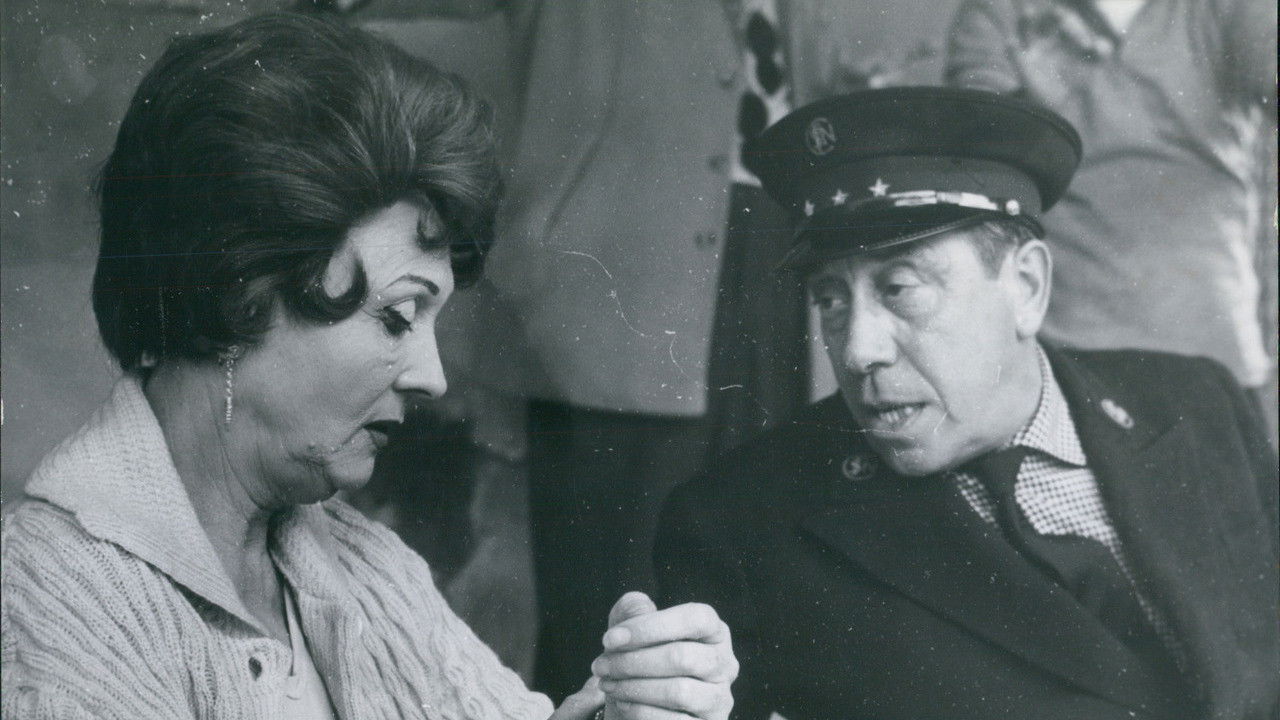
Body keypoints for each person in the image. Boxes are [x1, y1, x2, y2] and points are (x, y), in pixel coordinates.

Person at [0, 13, 738, 720]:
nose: (432, 377)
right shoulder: (47, 601)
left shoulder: (361, 562)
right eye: (396, 315)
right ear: (239, 294)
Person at [654, 87, 1279, 719]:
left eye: (899, 287)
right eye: (831, 300)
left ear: (1026, 287)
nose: (858, 350)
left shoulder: (1201, 408)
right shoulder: (743, 527)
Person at [946, 0, 1278, 402]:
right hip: (1062, 355)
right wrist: (1028, 107)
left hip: (1209, 350)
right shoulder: (1002, 10)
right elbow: (975, 150)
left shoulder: (1223, 8)